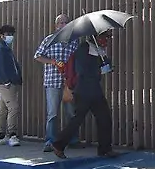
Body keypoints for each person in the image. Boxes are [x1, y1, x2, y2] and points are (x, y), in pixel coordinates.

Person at [52, 31, 116, 159]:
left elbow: (104, 65)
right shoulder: (83, 49)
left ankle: (105, 149)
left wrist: (107, 64)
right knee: (78, 119)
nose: (107, 40)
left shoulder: (99, 50)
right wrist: (99, 70)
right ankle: (58, 144)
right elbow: (82, 70)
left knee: (104, 118)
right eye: (105, 37)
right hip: (84, 90)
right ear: (97, 36)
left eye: (109, 37)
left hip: (95, 89)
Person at [34, 14, 78, 151]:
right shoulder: (49, 40)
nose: (63, 24)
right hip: (52, 81)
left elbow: (77, 60)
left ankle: (72, 140)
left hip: (68, 83)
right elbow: (38, 56)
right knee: (52, 113)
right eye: (60, 22)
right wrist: (53, 62)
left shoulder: (73, 41)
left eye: (65, 22)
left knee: (71, 113)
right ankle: (50, 141)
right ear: (56, 25)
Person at [0, 24, 23, 147]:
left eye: (11, 34)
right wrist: (6, 81)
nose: (10, 36)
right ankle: (12, 135)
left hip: (8, 82)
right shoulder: (0, 49)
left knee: (3, 108)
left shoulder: (5, 48)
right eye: (8, 34)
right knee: (13, 107)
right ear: (2, 35)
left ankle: (1, 135)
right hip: (5, 83)